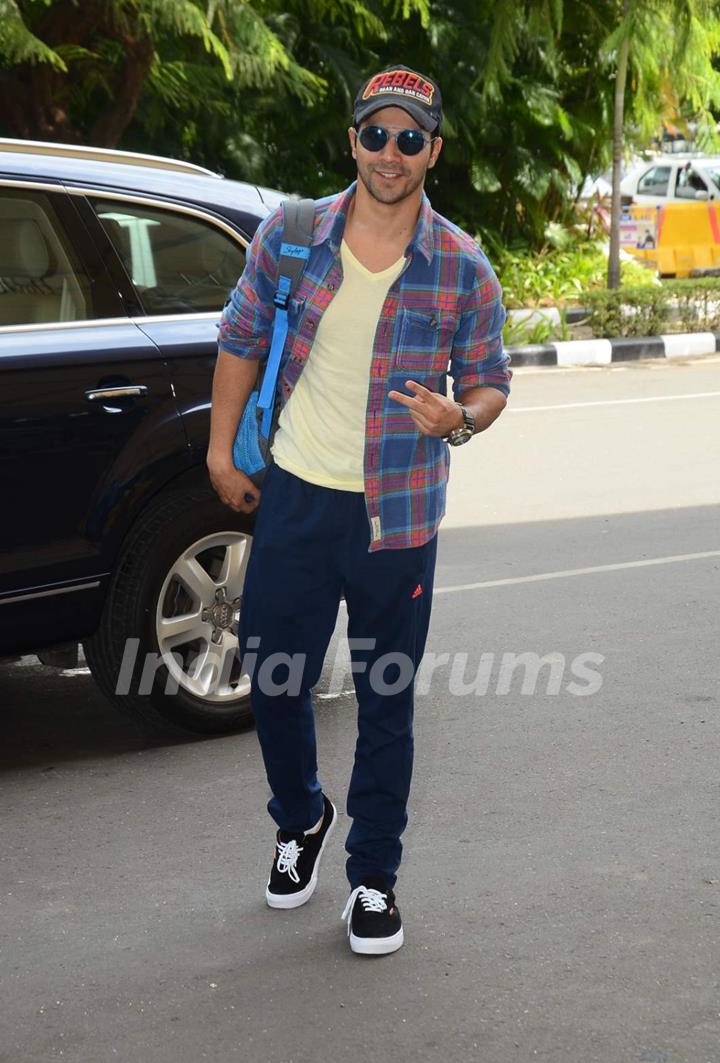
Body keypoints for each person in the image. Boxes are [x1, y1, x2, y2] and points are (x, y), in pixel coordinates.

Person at [207, 64, 512, 956]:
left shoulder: (461, 266)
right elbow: (239, 336)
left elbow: (491, 383)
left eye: (409, 137)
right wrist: (221, 452)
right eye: (375, 134)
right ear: (352, 141)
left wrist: (461, 417)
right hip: (298, 495)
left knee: (386, 702)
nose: (390, 152)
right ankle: (301, 816)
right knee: (272, 677)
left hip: (400, 513)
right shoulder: (293, 235)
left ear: (433, 151)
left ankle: (374, 878)